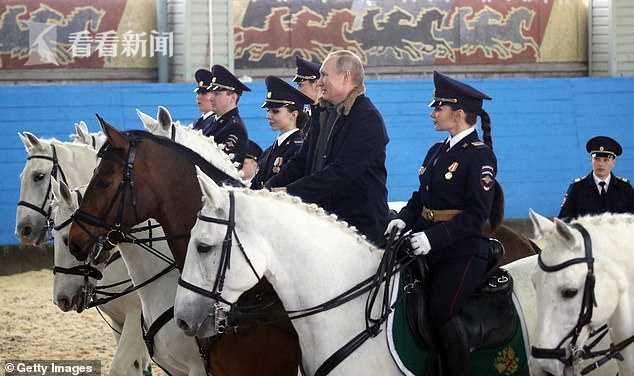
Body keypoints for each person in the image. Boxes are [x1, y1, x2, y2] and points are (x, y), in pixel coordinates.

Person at [385, 71, 503, 376]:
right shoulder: (437, 151)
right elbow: (420, 197)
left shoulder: (480, 156)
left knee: (440, 310)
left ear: (459, 114)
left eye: (439, 107)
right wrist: (401, 220)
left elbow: (477, 216)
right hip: (425, 241)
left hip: (462, 250)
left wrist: (434, 239)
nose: (433, 113)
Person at [265, 50, 389, 246]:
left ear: (346, 77)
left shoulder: (367, 118)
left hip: (358, 232)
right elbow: (301, 161)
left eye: (324, 75)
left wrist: (289, 192)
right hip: (325, 225)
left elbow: (342, 173)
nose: (319, 82)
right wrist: (266, 189)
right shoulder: (323, 112)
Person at [250, 76, 313, 189]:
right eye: (268, 111)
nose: (269, 116)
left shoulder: (299, 148)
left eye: (275, 111)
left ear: (293, 115)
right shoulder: (269, 151)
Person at [558, 136, 634, 220]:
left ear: (613, 162)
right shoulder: (577, 188)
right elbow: (563, 221)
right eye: (597, 159)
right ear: (591, 160)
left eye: (605, 160)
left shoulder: (625, 188)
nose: (601, 164)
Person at [204, 64, 251, 168]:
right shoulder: (209, 121)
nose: (210, 98)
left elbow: (220, 165)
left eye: (216, 93)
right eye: (211, 93)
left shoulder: (235, 128)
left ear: (232, 97)